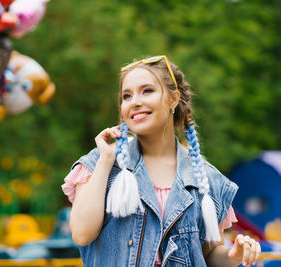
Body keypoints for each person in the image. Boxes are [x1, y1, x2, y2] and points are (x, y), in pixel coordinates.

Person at [62, 55, 261, 267]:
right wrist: (105, 161)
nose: (135, 102)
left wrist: (236, 253)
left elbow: (207, 254)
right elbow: (81, 235)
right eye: (127, 96)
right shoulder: (99, 163)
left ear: (173, 99)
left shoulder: (206, 178)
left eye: (147, 91)